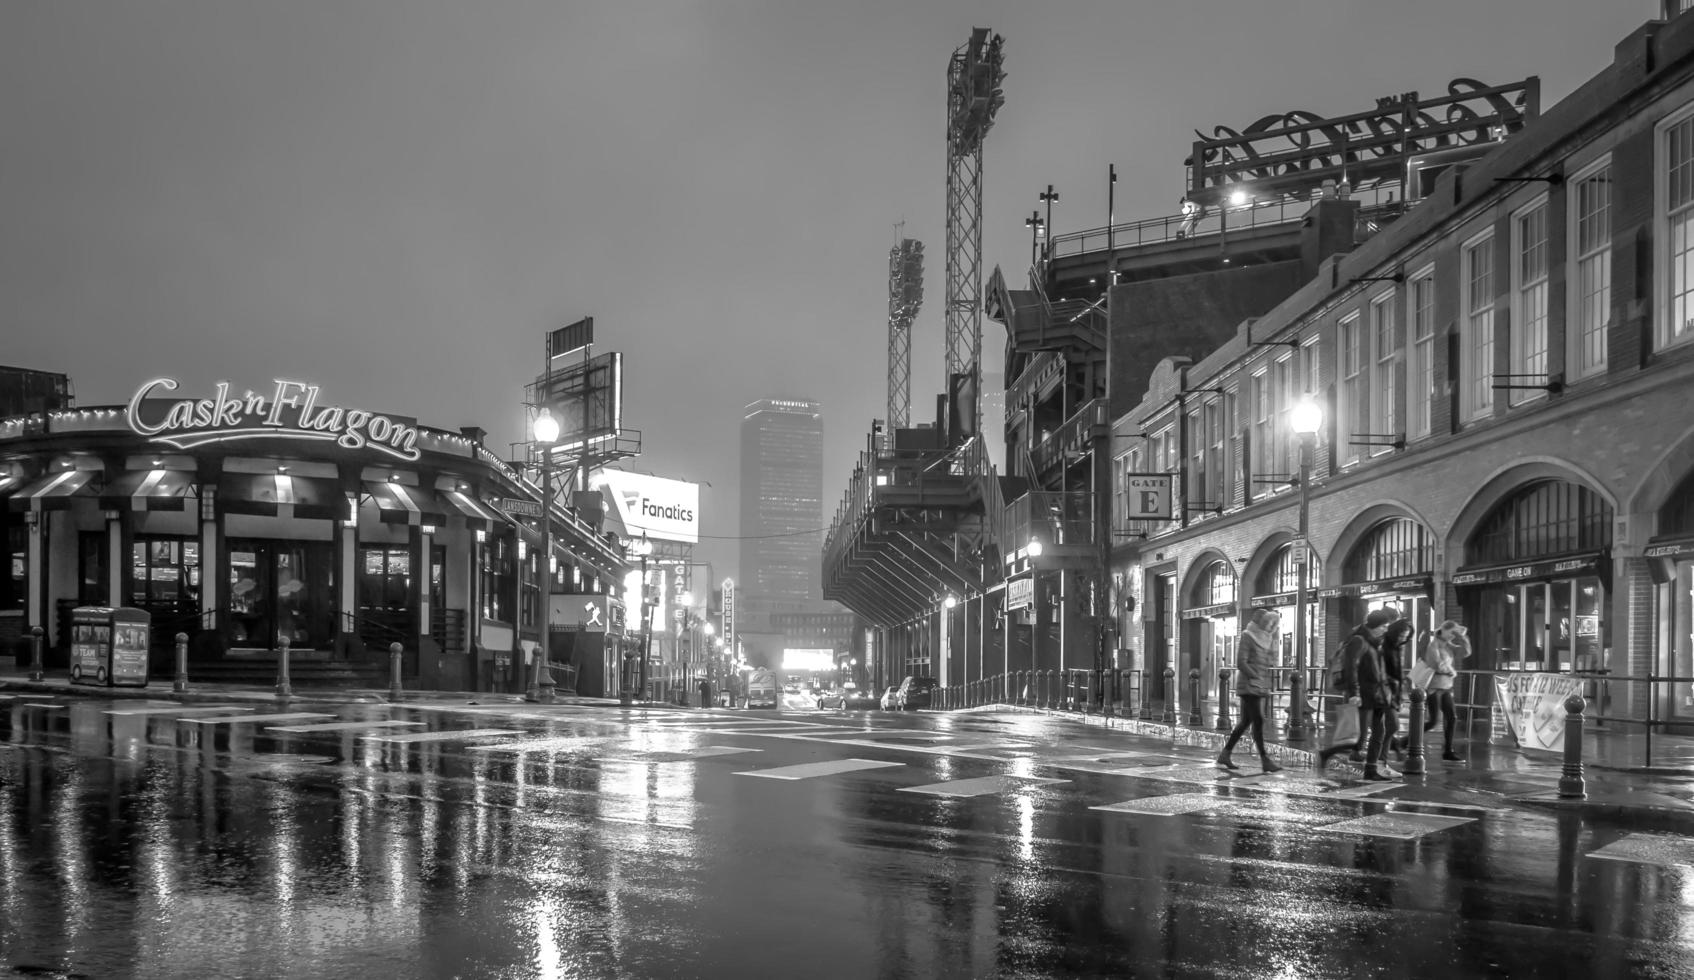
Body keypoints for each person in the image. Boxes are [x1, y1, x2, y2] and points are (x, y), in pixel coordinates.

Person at [1318, 607, 1397, 775]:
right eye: (1384, 626)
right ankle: (1327, 754)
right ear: (1375, 625)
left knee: (1378, 732)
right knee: (1359, 736)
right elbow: (1351, 667)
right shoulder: (1359, 641)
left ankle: (1371, 768)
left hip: (1377, 694)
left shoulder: (1375, 642)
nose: (1386, 629)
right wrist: (1354, 692)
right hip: (1365, 694)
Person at [1216, 608, 1285, 774]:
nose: (1269, 625)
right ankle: (1264, 760)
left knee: (1246, 722)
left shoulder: (1266, 638)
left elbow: (1266, 663)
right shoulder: (1248, 636)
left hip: (1258, 687)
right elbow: (1242, 662)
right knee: (1258, 721)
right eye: (1267, 622)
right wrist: (1255, 677)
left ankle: (1225, 754)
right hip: (1248, 686)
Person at [1422, 620, 1471, 761]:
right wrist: (1451, 671)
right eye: (1452, 633)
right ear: (1444, 631)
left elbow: (1464, 652)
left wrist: (1462, 637)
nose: (1453, 636)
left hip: (1446, 687)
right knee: (1433, 721)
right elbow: (1436, 664)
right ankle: (1407, 741)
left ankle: (1448, 750)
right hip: (1434, 687)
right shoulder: (1434, 645)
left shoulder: (1448, 646)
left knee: (1451, 717)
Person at [1379, 618, 1416, 769]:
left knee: (1387, 727)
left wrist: (1402, 687)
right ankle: (1381, 758)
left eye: (1406, 636)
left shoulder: (1398, 647)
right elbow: (1379, 670)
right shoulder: (1383, 646)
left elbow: (1397, 670)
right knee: (1391, 726)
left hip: (1393, 692)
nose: (1403, 639)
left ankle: (1382, 758)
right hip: (1382, 691)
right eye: (1401, 635)